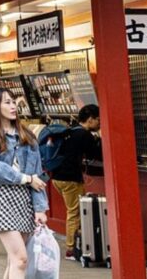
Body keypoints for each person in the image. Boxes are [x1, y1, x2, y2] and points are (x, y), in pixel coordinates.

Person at [0, 88, 49, 279]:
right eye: (7, 102)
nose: (13, 106)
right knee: (21, 259)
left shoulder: (27, 135)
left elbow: (37, 174)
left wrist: (40, 208)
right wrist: (26, 179)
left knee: (14, 260)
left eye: (13, 101)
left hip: (25, 199)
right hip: (2, 197)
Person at [48, 104, 102, 258]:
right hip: (70, 179)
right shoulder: (84, 135)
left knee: (73, 211)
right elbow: (96, 154)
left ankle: (78, 243)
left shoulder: (70, 131)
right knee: (74, 212)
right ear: (90, 119)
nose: (99, 123)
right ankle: (71, 249)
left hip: (56, 177)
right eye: (98, 120)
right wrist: (101, 137)